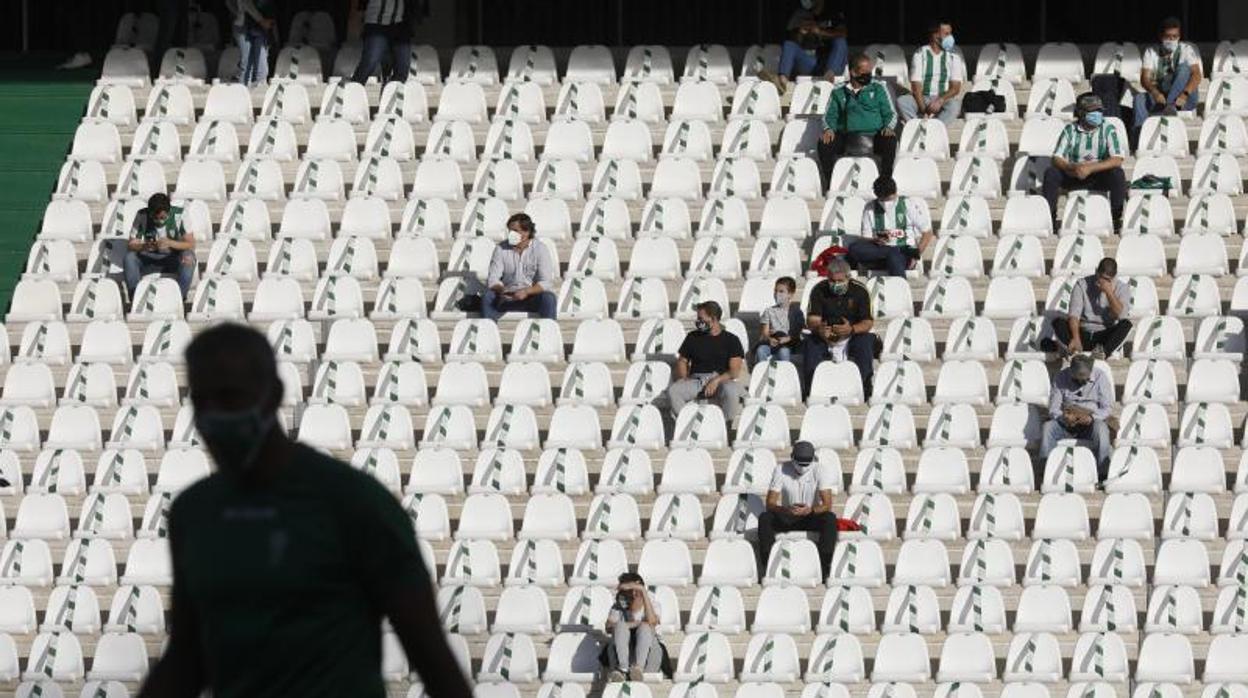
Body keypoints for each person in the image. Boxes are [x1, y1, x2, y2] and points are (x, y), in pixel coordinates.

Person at [138, 324, 473, 698]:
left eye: (230, 398)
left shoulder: (353, 503)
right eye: (202, 402)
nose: (215, 416)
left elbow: (431, 656)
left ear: (273, 396)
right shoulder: (194, 513)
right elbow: (187, 657)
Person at [1042, 92, 1127, 230]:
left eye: (1099, 110)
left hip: (1099, 176)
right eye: (1093, 111)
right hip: (1074, 174)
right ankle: (1049, 218)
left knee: (1117, 174)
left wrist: (1091, 168)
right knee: (1051, 173)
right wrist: (1071, 167)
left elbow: (1117, 159)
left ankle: (1115, 218)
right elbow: (1057, 158)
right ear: (1082, 113)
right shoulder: (1070, 130)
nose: (1098, 114)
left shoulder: (1108, 129)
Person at [756, 441, 838, 579]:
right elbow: (770, 503)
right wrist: (785, 510)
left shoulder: (820, 470)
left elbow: (827, 504)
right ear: (792, 457)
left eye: (806, 464)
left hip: (810, 515)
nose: (802, 467)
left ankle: (825, 567)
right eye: (799, 463)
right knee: (765, 518)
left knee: (830, 518)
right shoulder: (781, 469)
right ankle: (768, 564)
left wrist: (810, 510)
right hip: (789, 515)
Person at [799, 256, 875, 399]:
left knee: (864, 344)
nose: (836, 284)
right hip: (826, 334)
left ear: (848, 277)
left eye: (840, 281)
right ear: (828, 277)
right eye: (832, 281)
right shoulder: (819, 290)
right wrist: (819, 329)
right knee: (811, 345)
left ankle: (865, 389)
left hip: (853, 333)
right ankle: (810, 390)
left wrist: (851, 329)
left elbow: (868, 322)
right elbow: (812, 319)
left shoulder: (860, 291)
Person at [818, 53, 898, 181]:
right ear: (853, 73)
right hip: (846, 136)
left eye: (869, 72)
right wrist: (828, 129)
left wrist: (889, 126)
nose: (868, 75)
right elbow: (829, 115)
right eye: (864, 72)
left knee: (890, 140)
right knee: (824, 143)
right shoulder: (838, 90)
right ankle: (831, 182)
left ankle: (885, 181)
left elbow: (891, 113)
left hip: (875, 135)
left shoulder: (878, 87)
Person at [665, 301, 744, 425]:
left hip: (721, 380)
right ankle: (687, 424)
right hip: (696, 380)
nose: (697, 321)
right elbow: (682, 360)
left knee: (732, 391)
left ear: (713, 319)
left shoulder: (732, 340)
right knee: (674, 390)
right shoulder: (692, 337)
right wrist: (684, 377)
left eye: (700, 318)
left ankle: (722, 425)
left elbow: (734, 371)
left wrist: (716, 380)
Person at [1041, 257, 1133, 360]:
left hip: (1104, 334)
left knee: (1126, 325)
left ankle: (1103, 353)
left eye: (1107, 279)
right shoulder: (1082, 284)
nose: (1103, 282)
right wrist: (1076, 338)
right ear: (1096, 272)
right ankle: (1074, 348)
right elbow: (1074, 315)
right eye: (1101, 277)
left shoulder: (1122, 288)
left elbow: (1121, 315)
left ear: (1114, 277)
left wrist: (1109, 292)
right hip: (1083, 332)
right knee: (1058, 322)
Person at [1040, 353, 1114, 480]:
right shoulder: (1061, 377)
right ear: (1071, 372)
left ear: (1090, 372)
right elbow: (1053, 409)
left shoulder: (1100, 376)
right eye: (1077, 378)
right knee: (1048, 428)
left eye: (1085, 378)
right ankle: (1046, 471)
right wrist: (1063, 417)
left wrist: (1092, 418)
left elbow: (1107, 408)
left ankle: (1103, 473)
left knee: (1101, 430)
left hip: (1091, 421)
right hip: (1067, 420)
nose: (1081, 381)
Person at [849, 175, 934, 277]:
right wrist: (875, 240)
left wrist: (916, 255)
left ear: (895, 193)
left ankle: (900, 287)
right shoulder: (870, 208)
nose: (886, 203)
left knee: (894, 256)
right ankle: (892, 251)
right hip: (880, 252)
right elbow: (866, 236)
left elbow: (927, 233)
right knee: (854, 248)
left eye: (889, 199)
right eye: (882, 200)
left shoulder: (908, 204)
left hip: (904, 253)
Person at [758, 0, 848, 94]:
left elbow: (843, 33)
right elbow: (789, 39)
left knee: (840, 41)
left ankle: (828, 79)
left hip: (831, 64)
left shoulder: (833, 13)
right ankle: (782, 82)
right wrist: (800, 33)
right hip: (810, 62)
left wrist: (820, 31)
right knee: (789, 44)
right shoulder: (800, 14)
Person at [483, 213, 557, 321]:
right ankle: (487, 334)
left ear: (526, 232)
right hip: (506, 297)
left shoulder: (541, 249)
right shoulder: (500, 248)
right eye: (510, 231)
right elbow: (492, 279)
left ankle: (549, 334)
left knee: (549, 298)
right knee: (487, 297)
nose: (511, 234)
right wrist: (502, 290)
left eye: (515, 231)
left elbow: (546, 282)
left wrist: (526, 292)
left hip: (531, 297)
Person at [1133, 16, 1203, 131]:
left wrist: (1184, 94)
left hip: (1184, 98)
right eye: (1168, 37)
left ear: (1179, 37)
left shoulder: (1186, 50)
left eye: (1175, 37)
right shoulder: (1151, 52)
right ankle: (1139, 136)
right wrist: (1155, 93)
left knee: (1184, 68)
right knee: (1139, 99)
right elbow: (1145, 78)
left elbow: (1197, 75)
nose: (1171, 40)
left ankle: (1170, 107)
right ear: (1161, 37)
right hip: (1161, 96)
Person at [124, 193, 197, 300]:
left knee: (189, 257)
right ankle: (135, 299)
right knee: (129, 258)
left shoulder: (180, 214)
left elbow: (191, 244)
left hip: (173, 257)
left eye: (163, 217)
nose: (159, 221)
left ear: (169, 211)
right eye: (155, 217)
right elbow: (131, 245)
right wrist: (145, 246)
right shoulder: (141, 215)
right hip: (149, 258)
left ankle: (179, 299)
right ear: (150, 213)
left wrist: (170, 243)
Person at [896, 19, 965, 124]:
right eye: (946, 34)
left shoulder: (954, 56)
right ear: (935, 35)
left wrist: (940, 100)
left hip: (943, 99)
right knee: (902, 102)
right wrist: (924, 109)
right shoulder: (920, 54)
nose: (950, 37)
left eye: (950, 33)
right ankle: (917, 127)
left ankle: (935, 129)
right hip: (923, 97)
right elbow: (916, 87)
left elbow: (955, 88)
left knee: (955, 106)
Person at [605, 572, 665, 682]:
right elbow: (608, 627)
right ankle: (622, 668)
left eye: (635, 588)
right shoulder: (619, 605)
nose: (633, 593)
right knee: (621, 626)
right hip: (624, 656)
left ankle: (638, 668)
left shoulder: (653, 604)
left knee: (645, 627)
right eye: (629, 589)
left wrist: (642, 590)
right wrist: (632, 624)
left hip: (649, 656)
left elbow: (652, 622)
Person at [351, 0, 418, 84]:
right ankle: (353, 89)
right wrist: (356, 21)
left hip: (401, 25)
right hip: (376, 23)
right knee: (370, 61)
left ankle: (391, 93)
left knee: (403, 67)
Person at [756, 276, 805, 363]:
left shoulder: (796, 312)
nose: (777, 294)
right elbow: (765, 332)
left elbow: (799, 331)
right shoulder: (769, 311)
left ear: (791, 294)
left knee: (784, 352)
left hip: (789, 345)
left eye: (781, 291)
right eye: (775, 291)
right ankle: (765, 374)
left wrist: (788, 338)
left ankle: (783, 375)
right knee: (761, 350)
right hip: (772, 344)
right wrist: (769, 339)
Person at [228, 0, 276, 87]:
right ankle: (244, 90)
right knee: (247, 62)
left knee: (261, 60)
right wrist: (238, 13)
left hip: (259, 26)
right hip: (244, 25)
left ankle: (260, 87)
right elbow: (244, 3)